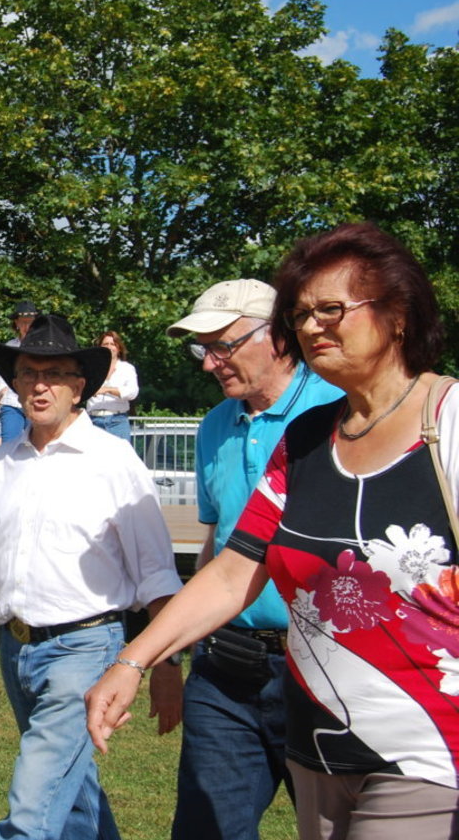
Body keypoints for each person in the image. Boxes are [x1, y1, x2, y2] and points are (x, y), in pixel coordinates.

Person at [87, 222, 459, 840]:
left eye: (331, 309)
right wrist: (136, 660)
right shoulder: (306, 440)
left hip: (428, 748)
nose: (311, 327)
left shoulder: (448, 423)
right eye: (301, 313)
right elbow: (234, 568)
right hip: (320, 748)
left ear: (398, 314)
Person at [0, 314, 184, 840]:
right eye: (29, 373)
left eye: (54, 374)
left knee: (32, 810)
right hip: (17, 651)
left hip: (87, 651)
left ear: (79, 387)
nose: (39, 385)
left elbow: (156, 574)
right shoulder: (2, 462)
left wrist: (167, 665)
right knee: (72, 793)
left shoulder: (113, 460)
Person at [163, 279, 342, 840]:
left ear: (278, 337)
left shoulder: (340, 408)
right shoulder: (214, 425)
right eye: (203, 349)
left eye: (223, 345)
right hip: (226, 669)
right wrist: (181, 645)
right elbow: (217, 545)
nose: (209, 363)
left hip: (328, 671)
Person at [0, 300, 39, 444]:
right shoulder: (9, 346)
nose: (26, 326)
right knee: (9, 444)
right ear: (16, 323)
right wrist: (3, 389)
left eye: (30, 322)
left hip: (35, 400)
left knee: (36, 444)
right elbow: (2, 371)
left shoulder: (42, 347)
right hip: (12, 401)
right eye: (23, 322)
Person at [86, 331, 139, 441]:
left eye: (113, 344)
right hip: (94, 420)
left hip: (117, 421)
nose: (109, 347)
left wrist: (107, 390)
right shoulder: (91, 367)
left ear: (119, 348)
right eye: (106, 344)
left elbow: (132, 392)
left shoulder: (127, 368)